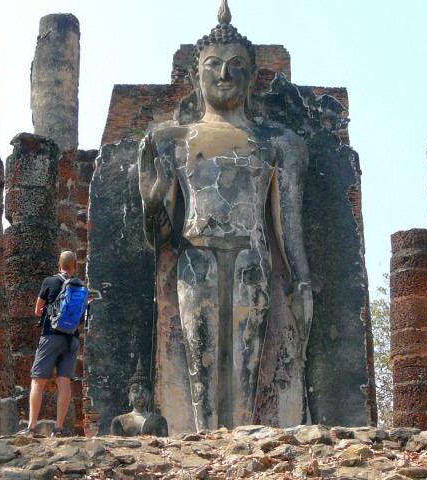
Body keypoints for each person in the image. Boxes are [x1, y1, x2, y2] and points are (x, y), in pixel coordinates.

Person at [138, 0, 312, 430]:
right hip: (196, 255)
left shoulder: (277, 142)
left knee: (245, 369)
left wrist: (301, 284)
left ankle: (245, 446)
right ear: (196, 77)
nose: (223, 74)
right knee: (202, 368)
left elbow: (285, 227)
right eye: (213, 65)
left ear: (252, 76)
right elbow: (158, 238)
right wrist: (154, 202)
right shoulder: (172, 139)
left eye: (236, 65)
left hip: (252, 257)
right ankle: (203, 445)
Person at [17, 250, 81, 437]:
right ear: (75, 266)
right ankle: (59, 428)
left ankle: (31, 427)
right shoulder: (80, 286)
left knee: (38, 380)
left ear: (59, 265)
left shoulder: (49, 282)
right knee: (64, 383)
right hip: (72, 339)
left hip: (51, 336)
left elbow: (38, 310)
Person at [110, 362, 168, 437]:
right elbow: (115, 446)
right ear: (129, 395)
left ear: (150, 395)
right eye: (135, 391)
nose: (139, 395)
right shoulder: (119, 421)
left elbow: (164, 445)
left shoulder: (159, 420)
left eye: (144, 391)